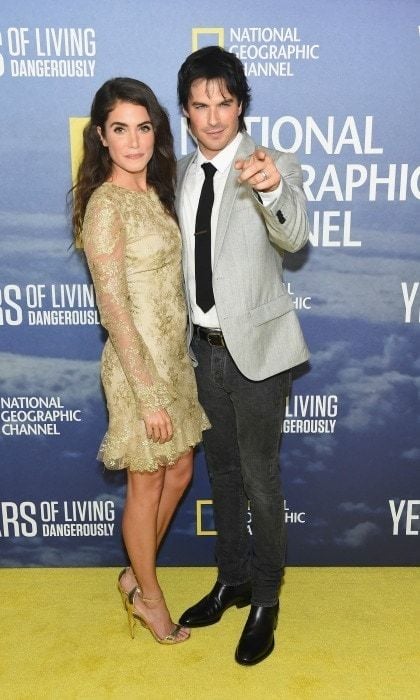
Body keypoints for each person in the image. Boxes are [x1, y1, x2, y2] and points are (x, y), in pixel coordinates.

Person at [176, 46, 310, 665]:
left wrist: (273, 187)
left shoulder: (270, 163)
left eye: (224, 103)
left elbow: (293, 234)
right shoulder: (177, 173)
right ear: (185, 110)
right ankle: (233, 579)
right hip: (201, 354)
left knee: (261, 481)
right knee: (222, 477)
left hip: (257, 354)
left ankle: (269, 599)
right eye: (200, 105)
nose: (213, 117)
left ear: (240, 105)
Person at [71, 77, 209, 645]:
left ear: (156, 131)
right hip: (137, 369)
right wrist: (148, 394)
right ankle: (150, 597)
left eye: (144, 127)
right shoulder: (105, 206)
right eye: (121, 129)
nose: (134, 142)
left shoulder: (155, 191)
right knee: (146, 481)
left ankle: (135, 573)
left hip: (174, 359)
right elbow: (114, 310)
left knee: (178, 470)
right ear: (102, 137)